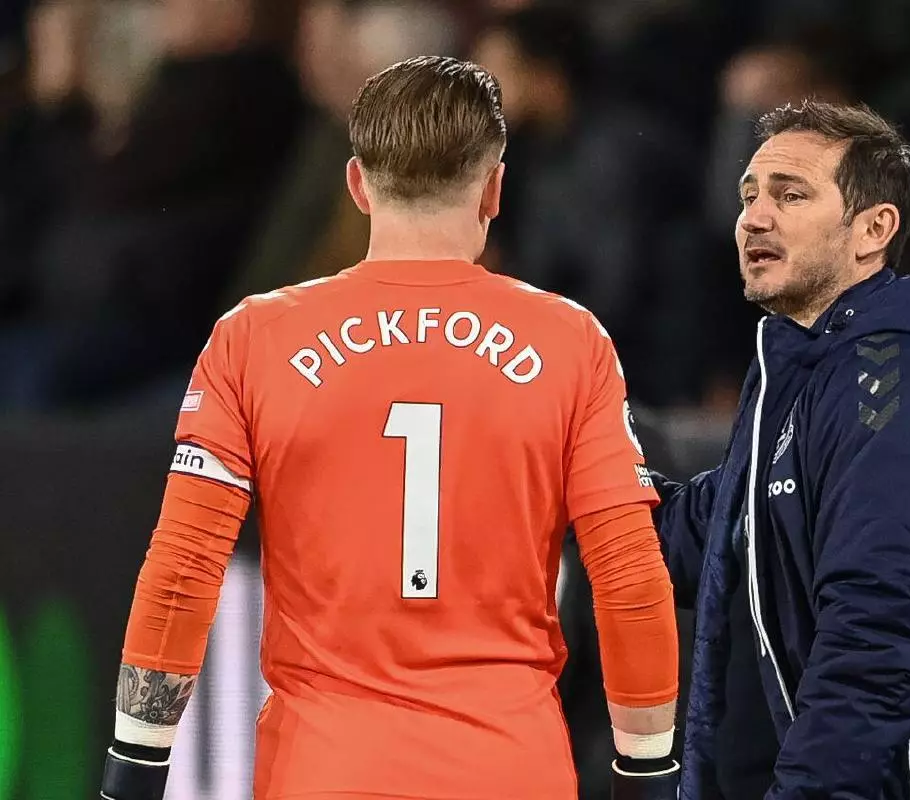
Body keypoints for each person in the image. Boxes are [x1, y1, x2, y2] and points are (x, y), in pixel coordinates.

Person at [99, 56, 680, 800]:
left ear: (357, 184)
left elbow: (184, 566)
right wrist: (647, 773)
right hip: (508, 770)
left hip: (323, 773)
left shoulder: (254, 340)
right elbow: (629, 576)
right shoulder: (570, 343)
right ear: (494, 188)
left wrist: (136, 766)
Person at [650, 99, 910, 799]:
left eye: (790, 195)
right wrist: (570, 445)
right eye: (749, 196)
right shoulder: (801, 375)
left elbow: (878, 630)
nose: (753, 218)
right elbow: (699, 541)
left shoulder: (898, 377)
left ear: (874, 229)